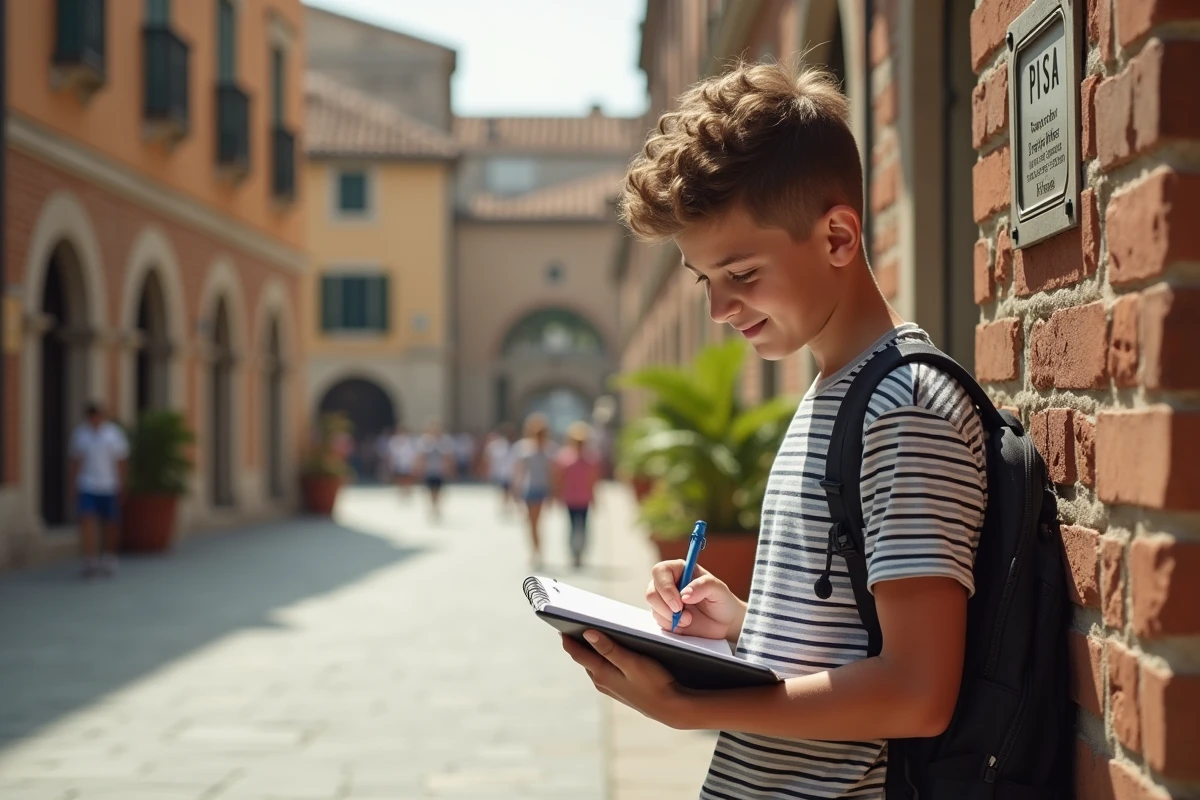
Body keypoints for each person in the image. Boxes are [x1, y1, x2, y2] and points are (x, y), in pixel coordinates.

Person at [559, 61, 988, 799]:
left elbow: (917, 693)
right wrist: (741, 626)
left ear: (838, 238)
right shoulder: (834, 390)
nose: (720, 308)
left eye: (744, 273)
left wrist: (692, 704)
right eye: (704, 280)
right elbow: (859, 637)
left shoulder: (904, 408)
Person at [68, 402, 130, 578]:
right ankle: (90, 560)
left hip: (109, 485)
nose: (95, 419)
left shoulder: (113, 434)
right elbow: (75, 461)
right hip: (87, 484)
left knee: (110, 523)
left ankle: (110, 557)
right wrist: (73, 486)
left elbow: (121, 461)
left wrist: (121, 484)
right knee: (87, 520)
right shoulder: (81, 434)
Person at [509, 413, 556, 569]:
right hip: (530, 488)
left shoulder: (549, 449)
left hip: (542, 488)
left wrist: (553, 493)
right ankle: (535, 550)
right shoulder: (524, 448)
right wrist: (516, 491)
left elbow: (552, 473)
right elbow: (519, 472)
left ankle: (537, 550)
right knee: (532, 523)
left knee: (537, 522)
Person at [553, 421, 600, 569]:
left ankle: (581, 553)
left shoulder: (591, 459)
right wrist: (558, 495)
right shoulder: (564, 457)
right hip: (570, 498)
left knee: (584, 527)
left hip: (584, 498)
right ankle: (573, 553)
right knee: (572, 527)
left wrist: (594, 498)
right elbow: (559, 478)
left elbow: (593, 481)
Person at [415, 422, 455, 522]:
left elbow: (448, 456)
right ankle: (432, 507)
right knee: (430, 490)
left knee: (439, 490)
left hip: (440, 470)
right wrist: (419, 468)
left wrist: (449, 469)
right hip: (429, 470)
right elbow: (421, 456)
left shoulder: (444, 441)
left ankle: (437, 507)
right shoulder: (424, 441)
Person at [482, 424, 516, 516]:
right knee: (504, 490)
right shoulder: (497, 446)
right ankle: (504, 506)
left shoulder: (516, 447)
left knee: (509, 491)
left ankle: (507, 506)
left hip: (511, 473)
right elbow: (489, 460)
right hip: (501, 473)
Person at [388, 427, 417, 497]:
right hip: (399, 463)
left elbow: (414, 453)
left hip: (408, 463)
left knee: (408, 478)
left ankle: (408, 492)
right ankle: (401, 492)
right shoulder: (394, 441)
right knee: (400, 478)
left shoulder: (411, 441)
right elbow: (392, 454)